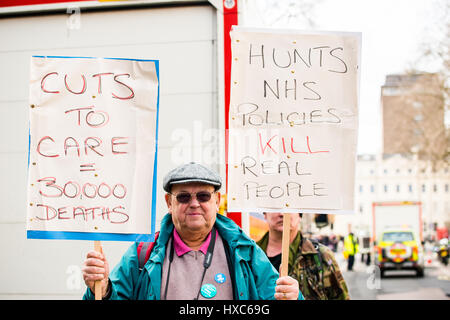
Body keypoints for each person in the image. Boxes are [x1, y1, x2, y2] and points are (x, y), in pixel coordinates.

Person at [82, 162, 302, 300]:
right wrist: (100, 289)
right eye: (184, 197)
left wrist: (293, 297)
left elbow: (276, 297)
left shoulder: (245, 252)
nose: (194, 203)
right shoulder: (142, 253)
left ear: (216, 201)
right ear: (169, 202)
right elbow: (109, 297)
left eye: (203, 196)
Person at [257, 212, 350, 300]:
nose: (282, 214)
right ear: (264, 214)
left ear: (300, 216)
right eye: (276, 208)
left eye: (290, 208)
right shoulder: (249, 256)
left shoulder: (322, 256)